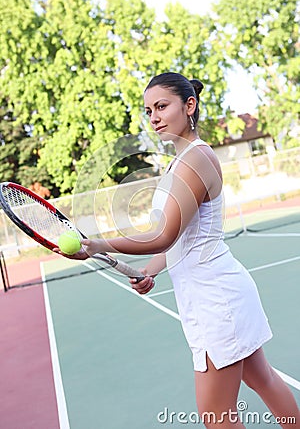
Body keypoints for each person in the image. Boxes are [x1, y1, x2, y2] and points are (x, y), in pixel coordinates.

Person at [56, 72, 300, 428]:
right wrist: (151, 269)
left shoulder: (195, 160)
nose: (153, 116)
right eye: (148, 109)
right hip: (216, 294)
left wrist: (97, 245)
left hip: (216, 300)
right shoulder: (180, 161)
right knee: (262, 380)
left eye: (161, 106)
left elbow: (164, 235)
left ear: (190, 106)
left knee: (217, 418)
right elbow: (181, 242)